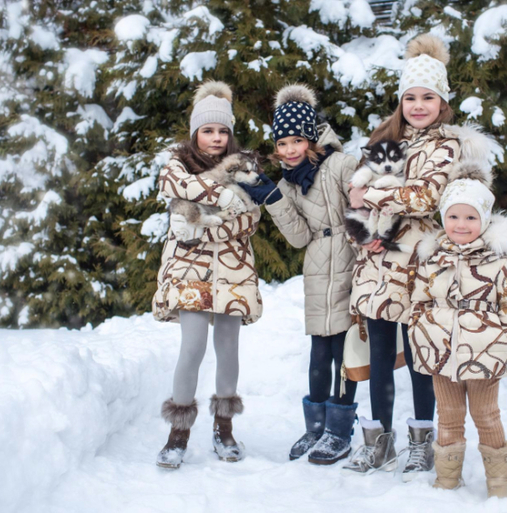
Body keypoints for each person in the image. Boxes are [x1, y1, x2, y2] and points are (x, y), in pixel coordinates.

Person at [342, 33, 461, 479]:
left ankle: (421, 440)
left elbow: (425, 197)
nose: (417, 105)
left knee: (417, 355)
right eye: (410, 97)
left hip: (418, 266)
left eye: (427, 97)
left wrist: (371, 194)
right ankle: (380, 441)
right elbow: (353, 198)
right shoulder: (385, 139)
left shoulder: (446, 145)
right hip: (377, 266)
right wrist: (362, 235)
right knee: (379, 356)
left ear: (442, 102)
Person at [240, 84, 359, 465]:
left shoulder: (341, 164)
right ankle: (316, 427)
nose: (290, 149)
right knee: (319, 351)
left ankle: (339, 431)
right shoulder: (289, 181)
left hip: (350, 262)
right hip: (317, 266)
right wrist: (273, 198)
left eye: (297, 140)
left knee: (344, 350)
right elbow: (298, 238)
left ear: (311, 138)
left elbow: (364, 212)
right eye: (282, 143)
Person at [152, 80, 262, 469]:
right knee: (193, 346)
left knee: (228, 346)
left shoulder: (245, 167)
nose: (216, 138)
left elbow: (249, 219)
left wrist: (202, 224)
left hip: (233, 270)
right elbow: (174, 185)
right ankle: (177, 433)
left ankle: (224, 428)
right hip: (191, 271)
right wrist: (223, 197)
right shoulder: (177, 164)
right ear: (195, 132)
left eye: (222, 131)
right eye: (207, 130)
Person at [407, 162, 507, 498]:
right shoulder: (432, 259)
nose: (461, 225)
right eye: (454, 216)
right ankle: (447, 480)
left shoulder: (499, 262)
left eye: (471, 217)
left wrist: (505, 344)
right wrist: (422, 333)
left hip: (485, 353)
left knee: (486, 415)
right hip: (440, 351)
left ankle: (498, 482)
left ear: (484, 220)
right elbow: (418, 300)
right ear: (443, 217)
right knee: (448, 416)